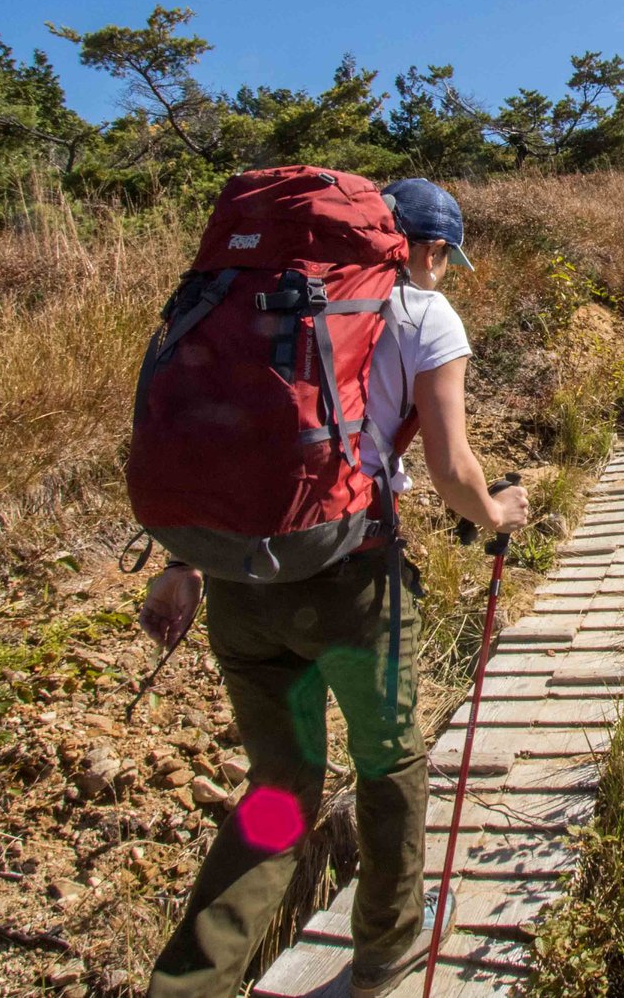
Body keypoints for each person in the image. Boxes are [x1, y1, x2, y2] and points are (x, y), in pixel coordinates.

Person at [141, 176, 529, 998]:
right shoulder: (423, 311)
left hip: (238, 585)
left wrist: (183, 566)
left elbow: (223, 444)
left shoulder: (262, 295)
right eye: (443, 256)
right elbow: (452, 469)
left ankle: (189, 984)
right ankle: (389, 947)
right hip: (352, 584)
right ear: (424, 248)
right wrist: (498, 513)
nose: (443, 269)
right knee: (388, 762)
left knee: (279, 789)